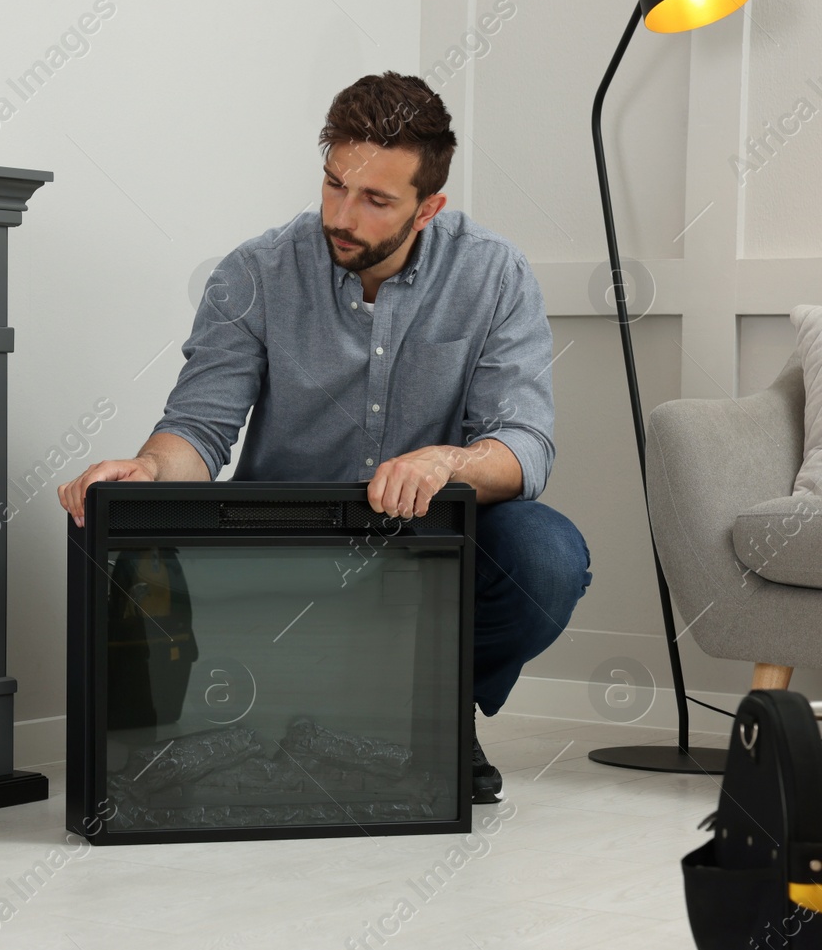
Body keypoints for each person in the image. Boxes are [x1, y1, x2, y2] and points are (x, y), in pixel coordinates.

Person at [57, 71, 592, 804]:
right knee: (147, 526)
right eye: (336, 184)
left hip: (424, 540)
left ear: (428, 207)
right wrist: (147, 469)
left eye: (375, 200)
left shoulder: (494, 275)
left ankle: (436, 715)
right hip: (281, 534)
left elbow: (523, 444)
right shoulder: (254, 273)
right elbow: (200, 428)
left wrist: (443, 462)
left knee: (548, 556)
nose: (343, 214)